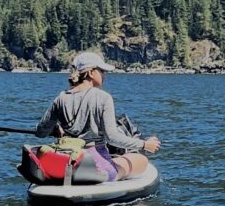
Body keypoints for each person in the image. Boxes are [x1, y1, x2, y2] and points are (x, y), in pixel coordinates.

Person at [34, 51, 161, 181]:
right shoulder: (103, 97)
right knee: (141, 160)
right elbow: (112, 137)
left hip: (68, 160)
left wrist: (55, 129)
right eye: (102, 71)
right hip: (96, 165)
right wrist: (144, 145)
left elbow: (41, 132)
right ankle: (118, 173)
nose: (104, 75)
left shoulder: (60, 98)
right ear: (90, 72)